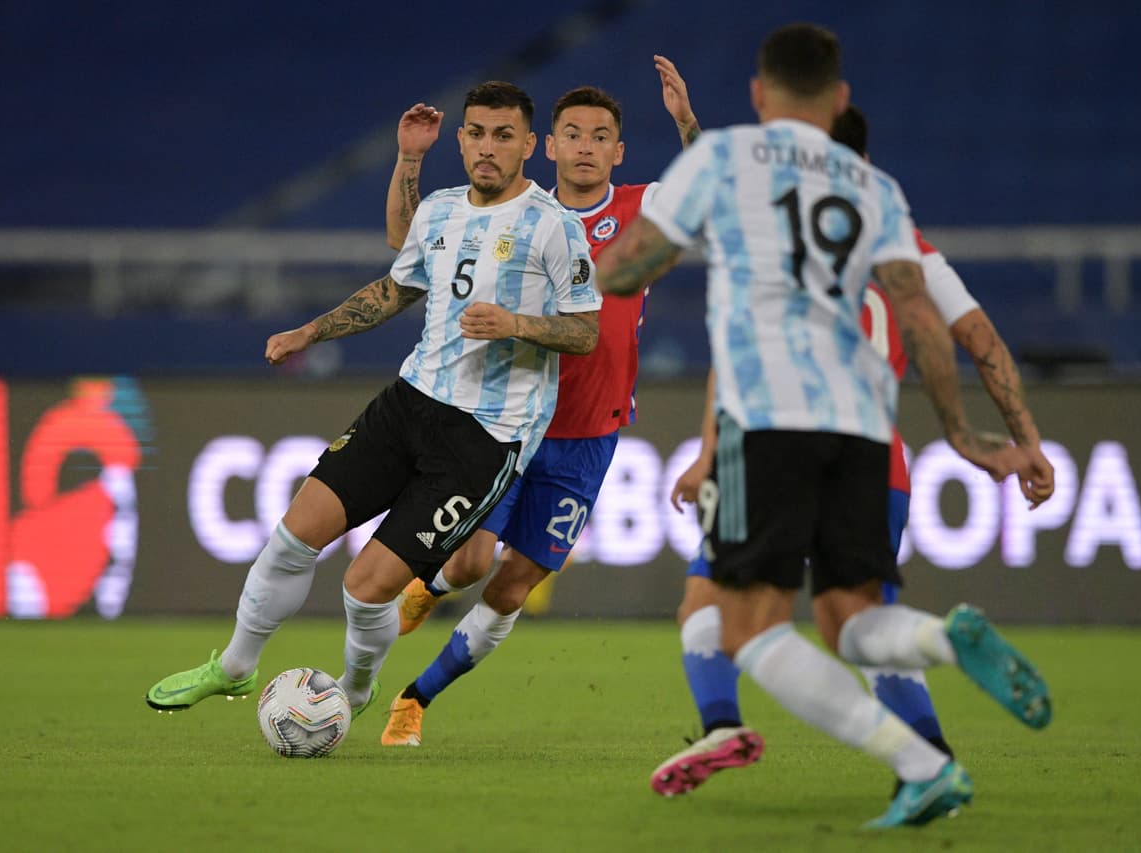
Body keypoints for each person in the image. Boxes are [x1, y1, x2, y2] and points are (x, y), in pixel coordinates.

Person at [596, 23, 1052, 829]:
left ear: (758, 95)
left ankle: (921, 764)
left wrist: (626, 258)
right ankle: (947, 639)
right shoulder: (875, 191)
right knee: (853, 619)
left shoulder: (725, 158)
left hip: (767, 420)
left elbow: (628, 266)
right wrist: (963, 433)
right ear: (839, 100)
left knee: (745, 626)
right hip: (865, 433)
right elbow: (918, 314)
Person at [144, 81, 601, 722]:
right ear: (462, 139)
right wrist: (311, 330)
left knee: (365, 587)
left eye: (504, 136)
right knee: (292, 536)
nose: (487, 148)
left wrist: (518, 324)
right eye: (476, 133)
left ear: (529, 144)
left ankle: (355, 689)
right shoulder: (441, 209)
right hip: (410, 402)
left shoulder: (554, 227)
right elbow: (395, 288)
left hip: (485, 436)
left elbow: (585, 331)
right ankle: (235, 667)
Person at [376, 58, 706, 749]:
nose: (586, 146)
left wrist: (684, 119)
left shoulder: (641, 209)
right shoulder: (520, 214)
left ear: (618, 152)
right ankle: (432, 585)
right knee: (468, 563)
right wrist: (409, 161)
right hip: (508, 415)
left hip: (590, 432)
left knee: (509, 588)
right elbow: (411, 247)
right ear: (548, 146)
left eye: (601, 136)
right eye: (573, 134)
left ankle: (416, 697)